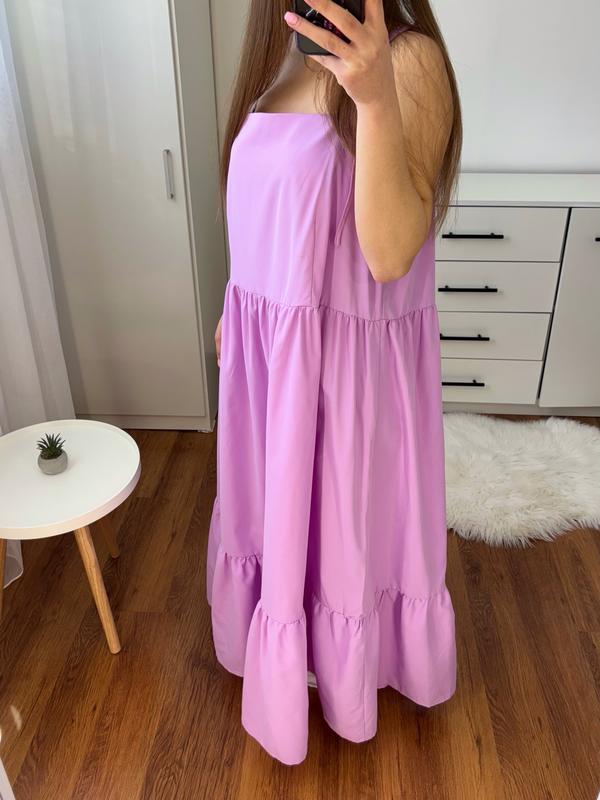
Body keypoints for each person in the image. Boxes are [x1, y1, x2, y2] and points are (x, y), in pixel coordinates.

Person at [207, 0, 462, 765]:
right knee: (280, 516)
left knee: (346, 526)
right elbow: (267, 215)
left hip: (344, 374)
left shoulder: (408, 60)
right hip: (270, 366)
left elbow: (390, 254)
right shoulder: (279, 62)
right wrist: (233, 302)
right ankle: (294, 646)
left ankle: (350, 667)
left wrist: (375, 97)